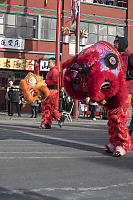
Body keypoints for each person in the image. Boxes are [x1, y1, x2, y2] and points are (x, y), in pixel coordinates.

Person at [40, 58, 62, 129]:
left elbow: (55, 82)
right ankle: (48, 123)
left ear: (53, 63)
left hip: (52, 91)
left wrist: (45, 82)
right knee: (49, 107)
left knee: (49, 107)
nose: (47, 64)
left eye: (49, 62)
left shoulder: (54, 71)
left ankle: (49, 122)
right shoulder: (51, 71)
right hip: (50, 90)